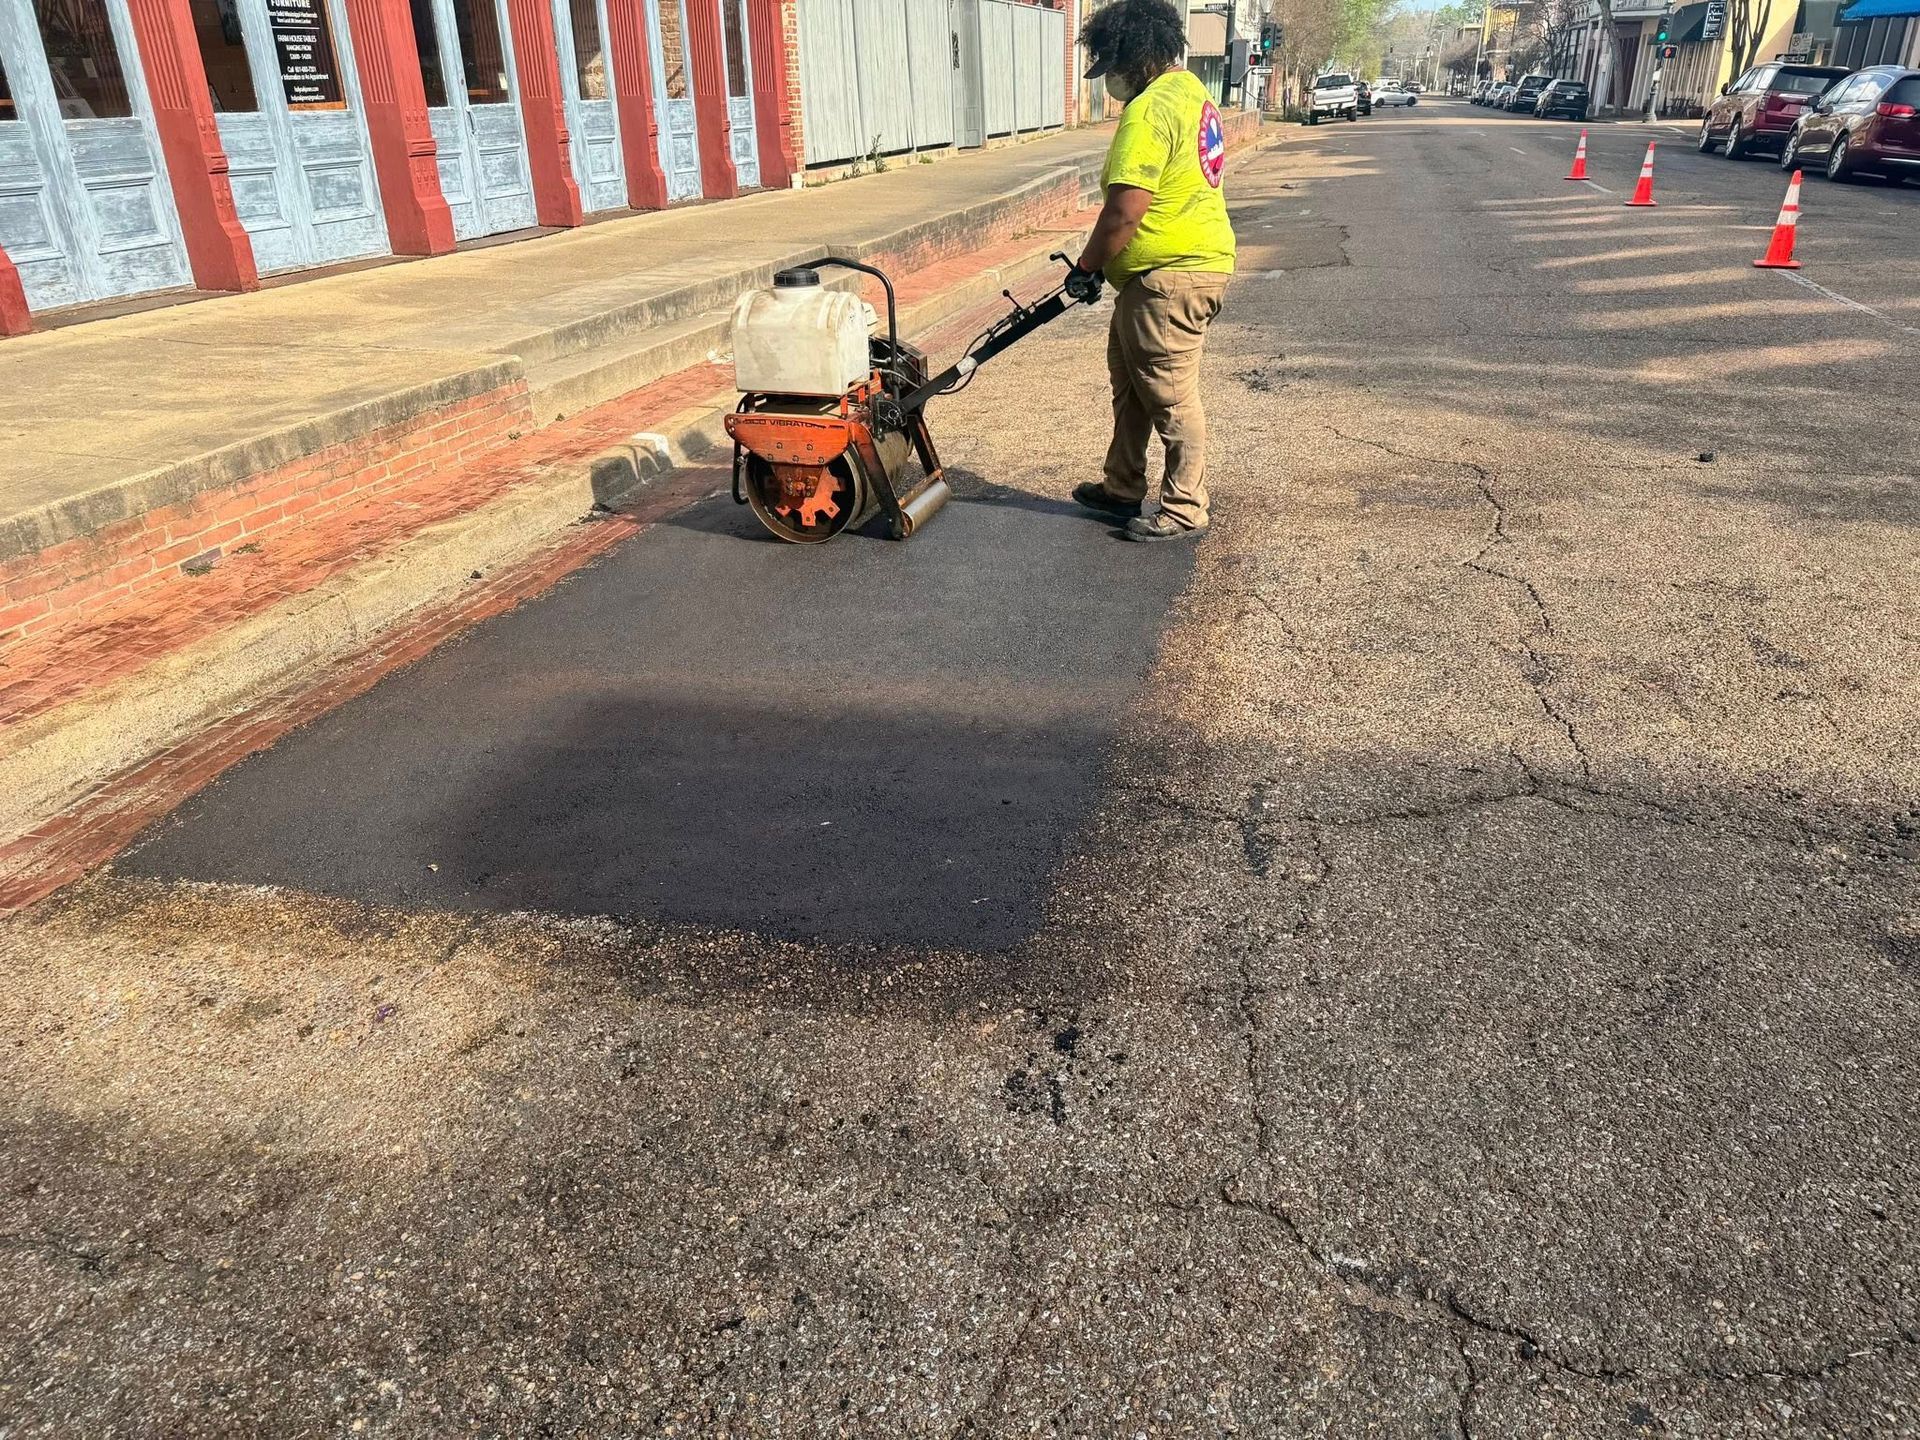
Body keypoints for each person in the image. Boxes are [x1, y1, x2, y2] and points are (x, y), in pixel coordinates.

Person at [1066, 0, 1237, 543]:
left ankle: (1186, 507)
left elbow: (1125, 208)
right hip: (1172, 273)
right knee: (1132, 386)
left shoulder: (1149, 109)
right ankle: (1122, 486)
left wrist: (1087, 267)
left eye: (1113, 66)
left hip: (1170, 278)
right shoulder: (1193, 94)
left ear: (1136, 57)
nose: (1110, 80)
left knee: (1168, 393)